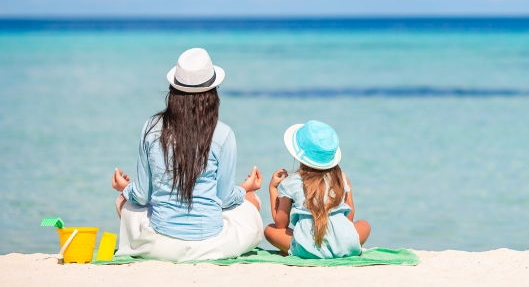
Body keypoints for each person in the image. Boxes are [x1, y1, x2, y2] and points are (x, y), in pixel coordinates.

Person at [111, 48, 263, 261]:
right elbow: (225, 198)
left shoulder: (151, 127)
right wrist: (246, 189)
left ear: (173, 90)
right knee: (252, 201)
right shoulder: (224, 134)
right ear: (212, 93)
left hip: (160, 244)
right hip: (212, 245)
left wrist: (124, 188)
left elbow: (142, 195)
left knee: (122, 201)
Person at [264, 120, 371, 258]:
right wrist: (347, 187)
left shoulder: (290, 183)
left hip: (307, 248)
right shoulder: (340, 177)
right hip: (345, 243)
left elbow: (280, 224)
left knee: (269, 230)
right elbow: (349, 218)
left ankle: (299, 250)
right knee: (364, 224)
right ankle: (343, 249)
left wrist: (273, 188)